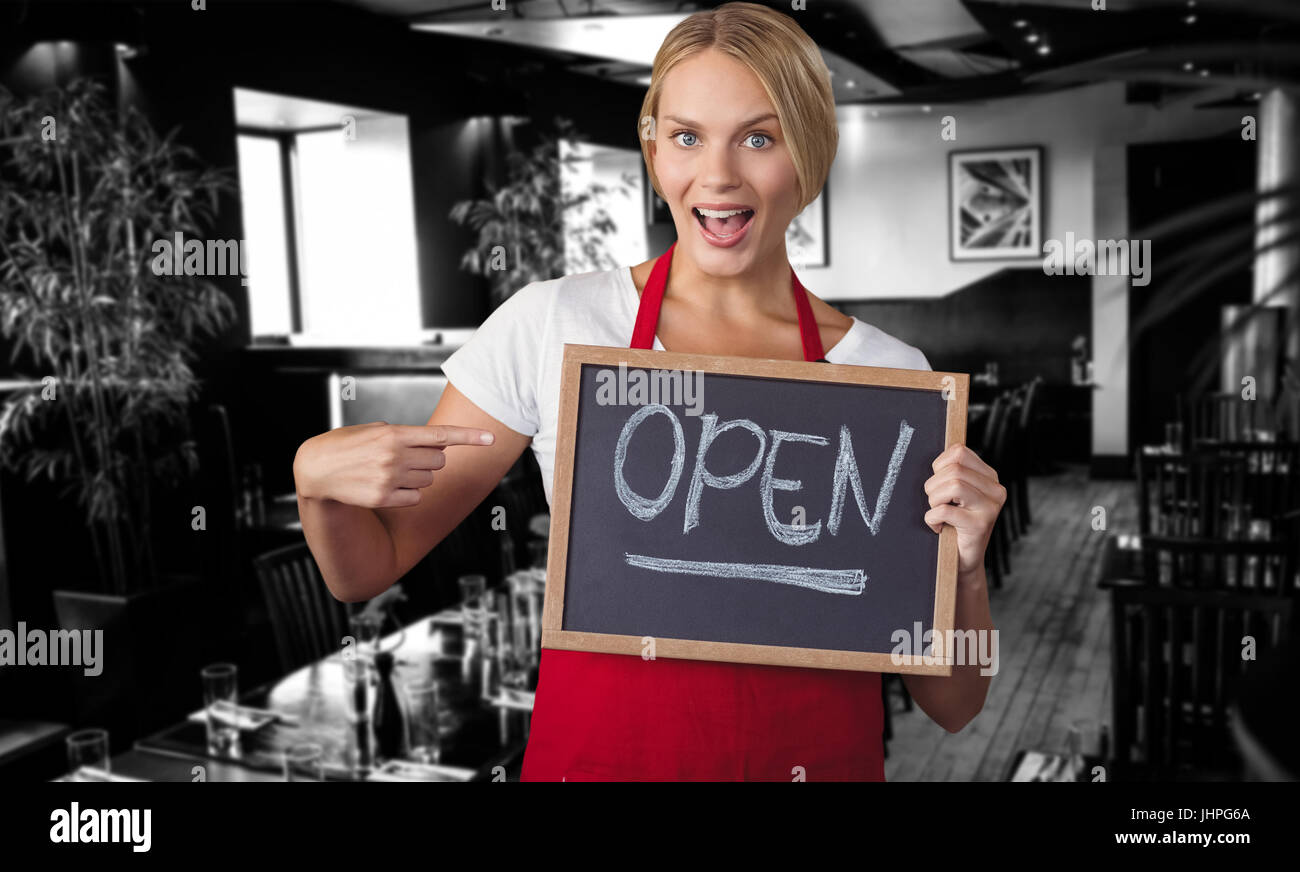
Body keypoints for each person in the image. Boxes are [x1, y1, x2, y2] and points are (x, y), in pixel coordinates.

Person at [293, 1, 1003, 781]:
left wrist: (966, 569)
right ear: (653, 146)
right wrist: (317, 485)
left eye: (758, 138)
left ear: (811, 152)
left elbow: (955, 704)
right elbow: (366, 568)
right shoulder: (553, 324)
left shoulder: (891, 380)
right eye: (687, 136)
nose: (718, 175)